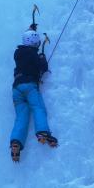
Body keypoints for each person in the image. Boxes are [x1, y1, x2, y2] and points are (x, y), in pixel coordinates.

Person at [9, 25, 58, 162]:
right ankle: (42, 132)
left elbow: (28, 40)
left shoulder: (18, 54)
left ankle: (16, 142)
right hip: (29, 86)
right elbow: (44, 67)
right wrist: (42, 57)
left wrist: (31, 29)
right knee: (38, 108)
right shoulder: (34, 55)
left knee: (21, 117)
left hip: (16, 89)